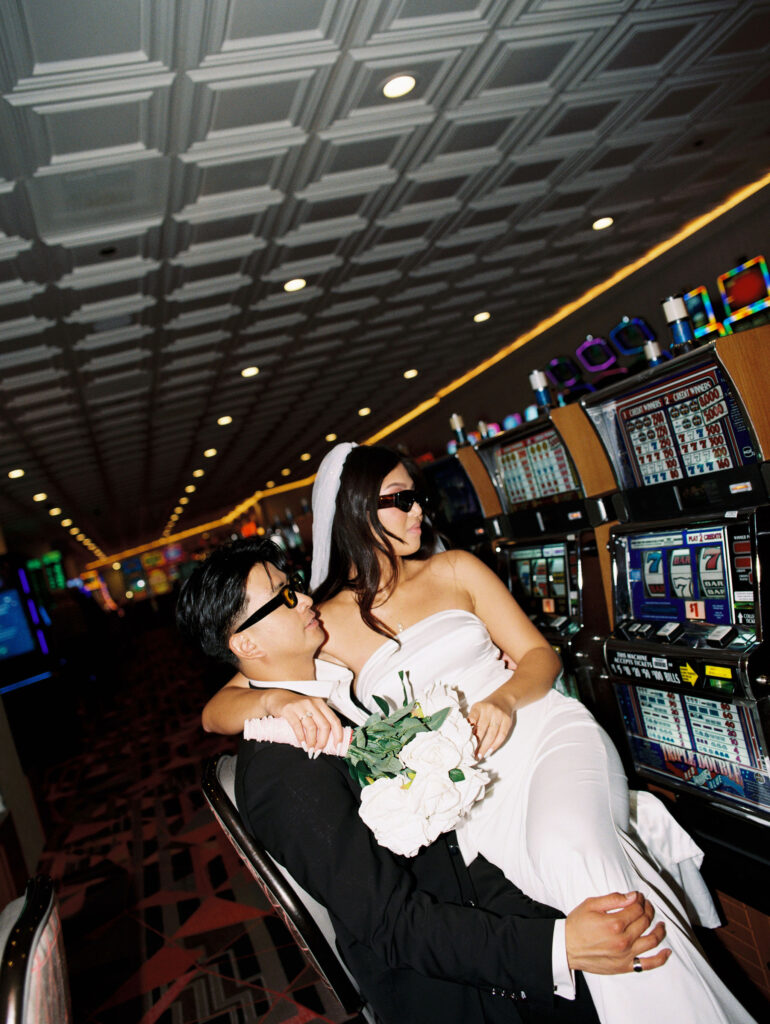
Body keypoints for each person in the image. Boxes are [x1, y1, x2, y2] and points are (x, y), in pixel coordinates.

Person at [201, 445, 756, 1024]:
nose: (420, 512)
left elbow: (539, 656)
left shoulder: (457, 568)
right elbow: (219, 707)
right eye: (401, 500)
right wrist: (272, 698)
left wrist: (505, 700)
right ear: (357, 511)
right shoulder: (322, 622)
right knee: (575, 898)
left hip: (543, 730)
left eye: (420, 498)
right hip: (473, 788)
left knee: (574, 853)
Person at [180, 536, 671, 1024]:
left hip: (469, 906)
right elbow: (390, 925)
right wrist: (561, 945)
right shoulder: (282, 766)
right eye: (284, 596)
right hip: (463, 991)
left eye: (296, 586)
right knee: (634, 961)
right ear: (247, 643)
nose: (306, 599)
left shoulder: (319, 707)